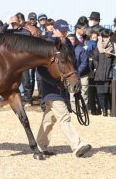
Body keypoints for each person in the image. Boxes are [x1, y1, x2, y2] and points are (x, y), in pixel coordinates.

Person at [36, 19, 92, 157]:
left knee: (49, 119)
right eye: (61, 31)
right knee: (64, 116)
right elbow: (40, 70)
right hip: (51, 87)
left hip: (64, 87)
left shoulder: (67, 43)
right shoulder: (46, 44)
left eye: (66, 30)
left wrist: (75, 80)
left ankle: (39, 145)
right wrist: (55, 83)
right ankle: (77, 145)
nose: (64, 33)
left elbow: (72, 64)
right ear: (53, 30)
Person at [0, 14, 33, 107]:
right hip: (12, 62)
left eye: (15, 22)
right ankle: (11, 100)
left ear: (20, 22)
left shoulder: (26, 32)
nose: (14, 24)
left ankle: (28, 100)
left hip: (24, 61)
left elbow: (30, 45)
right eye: (12, 23)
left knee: (26, 81)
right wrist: (7, 23)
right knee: (10, 82)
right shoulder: (8, 32)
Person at [93, 29, 116, 116]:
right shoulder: (98, 46)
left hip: (110, 74)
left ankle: (111, 111)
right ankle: (104, 111)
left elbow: (115, 61)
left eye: (108, 37)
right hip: (99, 74)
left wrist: (113, 69)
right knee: (101, 94)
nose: (106, 39)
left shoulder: (113, 46)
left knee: (110, 94)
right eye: (104, 37)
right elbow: (95, 58)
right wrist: (96, 66)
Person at [67, 33, 89, 111]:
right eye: (68, 40)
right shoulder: (65, 51)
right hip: (71, 77)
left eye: (72, 40)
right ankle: (75, 112)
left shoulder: (81, 49)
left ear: (75, 41)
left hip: (83, 76)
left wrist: (77, 72)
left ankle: (83, 112)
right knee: (72, 95)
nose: (70, 42)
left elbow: (85, 62)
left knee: (83, 95)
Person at [85, 31, 102, 115]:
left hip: (99, 73)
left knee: (99, 92)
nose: (94, 40)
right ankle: (92, 109)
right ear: (89, 38)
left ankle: (100, 109)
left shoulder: (101, 47)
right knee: (91, 92)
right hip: (90, 72)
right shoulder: (86, 48)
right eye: (93, 38)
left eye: (96, 37)